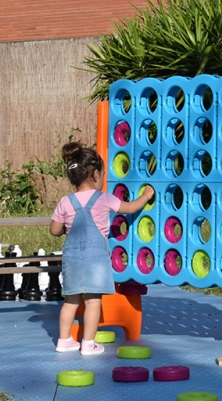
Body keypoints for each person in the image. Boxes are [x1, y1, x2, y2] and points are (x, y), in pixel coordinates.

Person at [50, 142, 154, 355]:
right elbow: (130, 208)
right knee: (93, 301)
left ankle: (63, 340)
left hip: (71, 257)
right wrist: (146, 195)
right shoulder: (104, 198)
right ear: (96, 174)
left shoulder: (65, 201)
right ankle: (88, 343)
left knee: (70, 301)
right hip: (95, 257)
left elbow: (54, 230)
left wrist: (64, 229)